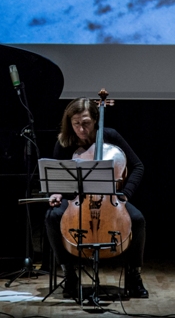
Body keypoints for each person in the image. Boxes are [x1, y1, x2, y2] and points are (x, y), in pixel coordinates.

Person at [45, 97, 148, 299]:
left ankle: (134, 275)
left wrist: (125, 194)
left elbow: (138, 166)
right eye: (76, 124)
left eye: (86, 123)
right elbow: (59, 178)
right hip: (76, 198)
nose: (81, 129)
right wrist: (56, 192)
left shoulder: (110, 136)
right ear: (69, 122)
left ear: (95, 120)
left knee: (137, 220)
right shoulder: (64, 142)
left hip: (111, 197)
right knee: (52, 216)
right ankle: (70, 274)